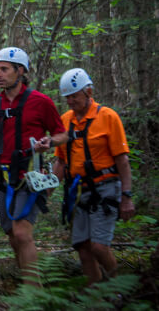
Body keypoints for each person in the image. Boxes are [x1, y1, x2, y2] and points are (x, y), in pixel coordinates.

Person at [0, 47, 67, 281]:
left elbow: (62, 134)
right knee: (11, 234)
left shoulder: (41, 102)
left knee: (22, 233)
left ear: (20, 71)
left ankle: (34, 293)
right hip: (3, 179)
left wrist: (49, 141)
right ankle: (27, 289)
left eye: (4, 69)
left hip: (31, 177)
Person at [52, 68, 135, 285]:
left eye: (74, 96)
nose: (70, 101)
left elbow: (122, 161)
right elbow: (61, 162)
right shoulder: (65, 121)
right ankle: (96, 296)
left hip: (106, 188)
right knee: (83, 248)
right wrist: (48, 188)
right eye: (67, 97)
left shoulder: (108, 117)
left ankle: (118, 288)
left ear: (88, 92)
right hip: (78, 192)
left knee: (99, 246)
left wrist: (126, 197)